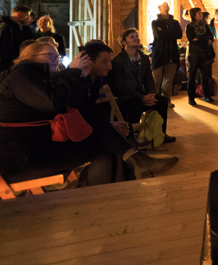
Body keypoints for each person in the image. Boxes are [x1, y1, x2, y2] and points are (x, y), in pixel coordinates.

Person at [0, 42, 178, 182]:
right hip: (20, 158)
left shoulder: (39, 78)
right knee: (104, 144)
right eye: (50, 56)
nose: (56, 60)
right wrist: (74, 73)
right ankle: (105, 194)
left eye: (57, 56)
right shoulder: (20, 75)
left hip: (39, 145)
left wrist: (81, 78)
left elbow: (70, 107)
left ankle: (136, 171)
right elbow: (55, 104)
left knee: (105, 134)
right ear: (30, 57)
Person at [109, 29, 175, 142]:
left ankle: (161, 135)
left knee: (162, 101)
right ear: (124, 42)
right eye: (132, 37)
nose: (136, 38)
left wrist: (151, 94)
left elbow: (149, 79)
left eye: (137, 36)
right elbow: (121, 86)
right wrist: (142, 98)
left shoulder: (143, 58)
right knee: (135, 104)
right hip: (126, 97)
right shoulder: (118, 61)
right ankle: (132, 137)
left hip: (141, 94)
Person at [150, 2, 183, 105]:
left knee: (168, 80)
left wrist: (164, 32)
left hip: (172, 53)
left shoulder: (175, 22)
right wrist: (170, 33)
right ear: (159, 8)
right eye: (164, 5)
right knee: (156, 80)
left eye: (167, 4)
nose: (166, 6)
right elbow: (159, 35)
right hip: (159, 54)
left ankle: (166, 101)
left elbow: (179, 34)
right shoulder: (155, 22)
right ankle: (154, 101)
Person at [186, 7, 215, 106]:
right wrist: (206, 40)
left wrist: (200, 39)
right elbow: (191, 40)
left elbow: (211, 36)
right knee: (192, 75)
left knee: (205, 76)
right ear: (194, 15)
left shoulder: (205, 26)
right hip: (194, 54)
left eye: (200, 13)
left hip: (205, 54)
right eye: (198, 13)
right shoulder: (189, 26)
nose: (201, 14)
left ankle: (207, 95)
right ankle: (191, 97)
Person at [0, 5, 36, 71]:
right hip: (6, 64)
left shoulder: (16, 26)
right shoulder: (5, 27)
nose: (28, 18)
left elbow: (26, 41)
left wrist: (26, 26)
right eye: (27, 15)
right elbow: (5, 48)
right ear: (19, 14)